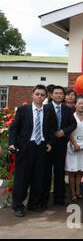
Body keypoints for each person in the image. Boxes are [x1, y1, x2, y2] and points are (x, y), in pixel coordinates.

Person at [8, 85, 55, 217]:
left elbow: (52, 129)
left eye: (42, 95)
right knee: (22, 178)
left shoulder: (48, 111)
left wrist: (50, 143)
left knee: (38, 177)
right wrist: (12, 143)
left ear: (46, 97)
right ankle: (18, 205)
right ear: (32, 95)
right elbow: (14, 128)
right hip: (26, 147)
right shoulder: (23, 110)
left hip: (41, 148)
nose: (40, 97)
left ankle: (33, 204)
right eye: (37, 94)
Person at [43, 85, 77, 207]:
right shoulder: (45, 108)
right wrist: (52, 136)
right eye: (56, 93)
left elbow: (73, 124)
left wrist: (63, 131)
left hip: (61, 144)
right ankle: (44, 199)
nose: (58, 95)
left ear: (63, 96)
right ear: (51, 95)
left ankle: (59, 198)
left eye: (60, 93)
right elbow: (44, 126)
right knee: (46, 172)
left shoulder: (67, 109)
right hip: (48, 145)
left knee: (59, 172)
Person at [66, 97, 83, 202]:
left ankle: (79, 192)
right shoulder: (71, 117)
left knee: (80, 171)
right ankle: (73, 194)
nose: (81, 105)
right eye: (79, 103)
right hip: (72, 145)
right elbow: (69, 131)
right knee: (72, 171)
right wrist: (74, 144)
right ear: (75, 105)